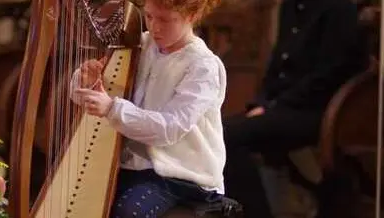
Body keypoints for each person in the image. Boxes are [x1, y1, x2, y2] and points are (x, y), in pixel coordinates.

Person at [70, 0, 227, 217]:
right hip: (133, 167)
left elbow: (170, 129)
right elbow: (85, 99)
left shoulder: (202, 66)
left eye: (165, 20)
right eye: (149, 16)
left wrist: (112, 108)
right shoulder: (139, 45)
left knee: (127, 212)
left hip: (180, 174)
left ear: (191, 16)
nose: (154, 27)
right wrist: (87, 81)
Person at [223, 0, 369, 157]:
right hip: (283, 106)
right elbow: (277, 65)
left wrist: (273, 106)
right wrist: (261, 103)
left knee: (230, 135)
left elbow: (326, 78)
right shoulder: (290, 6)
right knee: (216, 132)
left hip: (319, 111)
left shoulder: (338, 8)